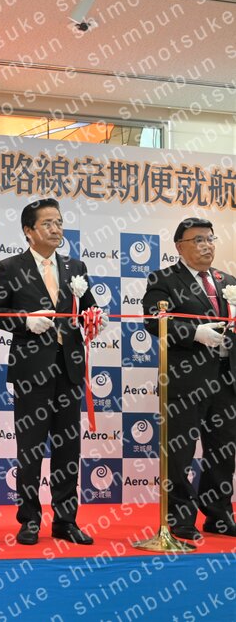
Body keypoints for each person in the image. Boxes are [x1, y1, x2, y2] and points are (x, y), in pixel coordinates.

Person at [0, 198, 106, 546]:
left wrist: (94, 318)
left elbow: (87, 307)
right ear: (29, 231)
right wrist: (25, 321)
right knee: (30, 449)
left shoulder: (75, 266)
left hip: (69, 368)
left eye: (59, 222)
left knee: (68, 449)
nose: (56, 229)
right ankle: (29, 519)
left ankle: (66, 520)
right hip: (31, 371)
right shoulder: (11, 267)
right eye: (48, 223)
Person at [143, 218, 236, 540]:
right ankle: (180, 518)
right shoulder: (164, 279)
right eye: (198, 240)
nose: (206, 245)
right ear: (180, 247)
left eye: (210, 238)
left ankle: (219, 514)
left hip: (226, 379)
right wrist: (195, 333)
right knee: (180, 453)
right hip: (185, 381)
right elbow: (153, 321)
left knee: (223, 451)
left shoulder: (227, 281)